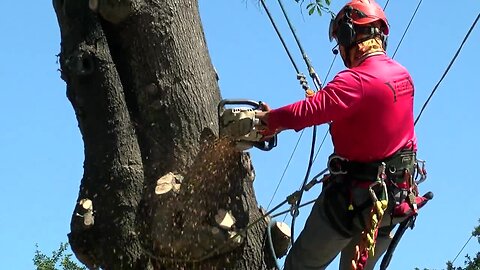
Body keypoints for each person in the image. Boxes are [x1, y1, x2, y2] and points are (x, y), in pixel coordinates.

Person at [255, 0, 430, 269]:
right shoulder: (403, 76)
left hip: (353, 200)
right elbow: (371, 126)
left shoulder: (355, 81)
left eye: (340, 43)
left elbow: (309, 111)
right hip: (391, 204)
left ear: (350, 36)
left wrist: (270, 120)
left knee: (299, 266)